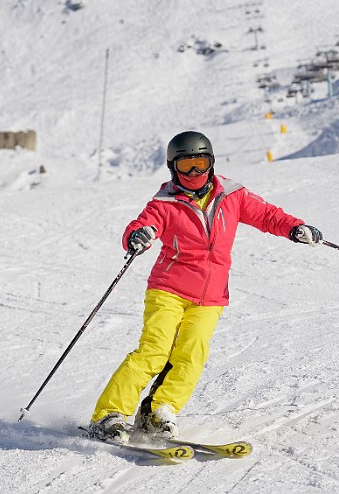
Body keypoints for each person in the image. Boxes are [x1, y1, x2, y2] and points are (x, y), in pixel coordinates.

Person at [87, 130, 322, 443]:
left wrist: (295, 227)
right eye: (187, 166)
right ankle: (109, 414)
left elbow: (266, 214)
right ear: (173, 168)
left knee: (192, 354)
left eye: (201, 163)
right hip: (168, 289)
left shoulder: (232, 194)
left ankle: (160, 411)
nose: (195, 172)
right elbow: (144, 223)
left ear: (211, 163)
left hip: (210, 296)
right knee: (154, 351)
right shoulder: (164, 202)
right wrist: (138, 235)